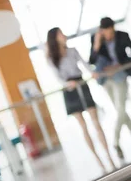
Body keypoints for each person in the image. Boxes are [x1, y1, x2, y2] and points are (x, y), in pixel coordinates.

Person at [45, 27, 115, 171]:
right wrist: (67, 84)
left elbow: (85, 65)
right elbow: (57, 77)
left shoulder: (72, 50)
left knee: (96, 122)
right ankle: (98, 159)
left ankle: (108, 155)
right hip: (69, 89)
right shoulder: (51, 57)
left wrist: (93, 73)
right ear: (54, 37)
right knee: (83, 126)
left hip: (81, 84)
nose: (64, 35)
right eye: (60, 34)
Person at [90, 17, 131, 160]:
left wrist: (120, 66)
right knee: (121, 111)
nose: (108, 36)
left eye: (110, 32)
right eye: (105, 33)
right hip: (106, 81)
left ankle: (115, 142)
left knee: (120, 109)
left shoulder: (122, 35)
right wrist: (96, 44)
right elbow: (91, 61)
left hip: (120, 76)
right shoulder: (96, 39)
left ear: (113, 28)